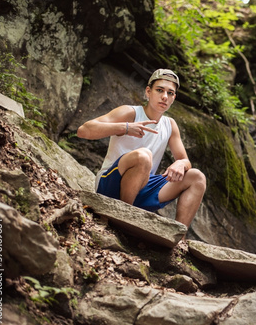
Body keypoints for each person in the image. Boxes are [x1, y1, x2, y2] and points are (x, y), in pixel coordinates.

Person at [77, 69, 206, 229]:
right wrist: (124, 127)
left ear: (174, 98)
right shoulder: (130, 112)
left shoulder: (170, 125)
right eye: (159, 90)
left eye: (170, 93)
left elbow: (185, 160)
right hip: (110, 185)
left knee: (197, 177)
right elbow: (84, 130)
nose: (165, 96)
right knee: (144, 156)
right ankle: (123, 219)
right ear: (148, 92)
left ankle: (178, 238)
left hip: (142, 189)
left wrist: (180, 164)